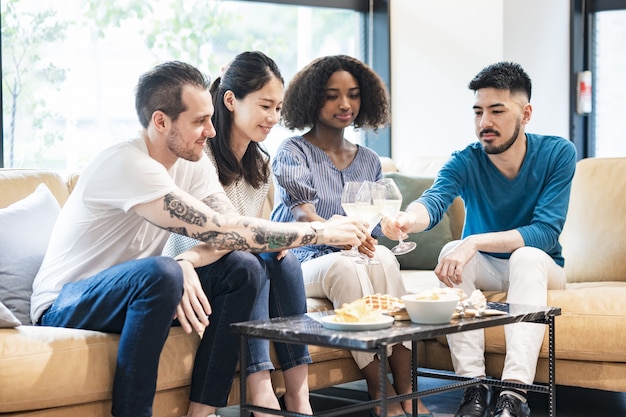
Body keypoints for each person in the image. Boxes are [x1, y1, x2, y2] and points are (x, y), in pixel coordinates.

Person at [30, 60, 367, 417]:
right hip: (66, 304)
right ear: (161, 121)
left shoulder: (192, 162)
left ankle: (201, 411)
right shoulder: (127, 164)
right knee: (162, 272)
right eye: (198, 121)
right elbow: (219, 229)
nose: (210, 130)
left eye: (209, 118)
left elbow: (233, 230)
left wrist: (193, 261)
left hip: (136, 294)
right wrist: (319, 230)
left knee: (243, 267)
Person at [381, 62, 577, 417]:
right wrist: (408, 218)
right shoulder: (465, 160)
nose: (485, 122)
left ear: (526, 113)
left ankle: (514, 394)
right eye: (478, 111)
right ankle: (473, 387)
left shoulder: (558, 154)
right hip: (488, 267)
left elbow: (545, 233)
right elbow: (435, 200)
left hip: (542, 268)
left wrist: (474, 241)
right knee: (452, 248)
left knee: (526, 256)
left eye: (497, 111)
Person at [271, 55, 432, 417]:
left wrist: (381, 231)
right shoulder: (293, 151)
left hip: (348, 257)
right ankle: (380, 389)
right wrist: (340, 234)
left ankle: (409, 387)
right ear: (312, 100)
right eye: (332, 95)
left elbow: (370, 228)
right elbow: (304, 214)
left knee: (385, 258)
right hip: (300, 260)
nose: (345, 105)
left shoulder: (369, 160)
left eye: (354, 95)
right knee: (346, 267)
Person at [163, 51, 312, 417]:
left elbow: (255, 231)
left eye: (278, 108)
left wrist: (275, 245)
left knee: (285, 262)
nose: (274, 118)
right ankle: (260, 391)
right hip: (195, 270)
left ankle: (299, 397)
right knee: (248, 259)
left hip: (236, 265)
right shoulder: (200, 159)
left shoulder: (261, 164)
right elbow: (218, 238)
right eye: (265, 106)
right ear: (230, 101)